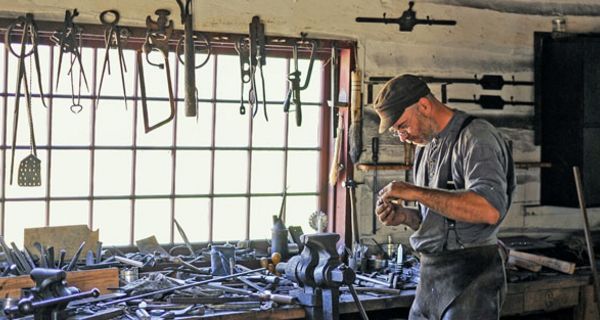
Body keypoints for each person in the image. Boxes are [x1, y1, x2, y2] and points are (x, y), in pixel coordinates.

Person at [373, 74, 515, 320]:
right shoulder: (426, 148)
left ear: (424, 106)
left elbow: (488, 209)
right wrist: (405, 216)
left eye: (403, 125)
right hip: (432, 278)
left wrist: (415, 192)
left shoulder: (475, 138)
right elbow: (443, 220)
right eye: (397, 132)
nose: (403, 137)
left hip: (472, 275)